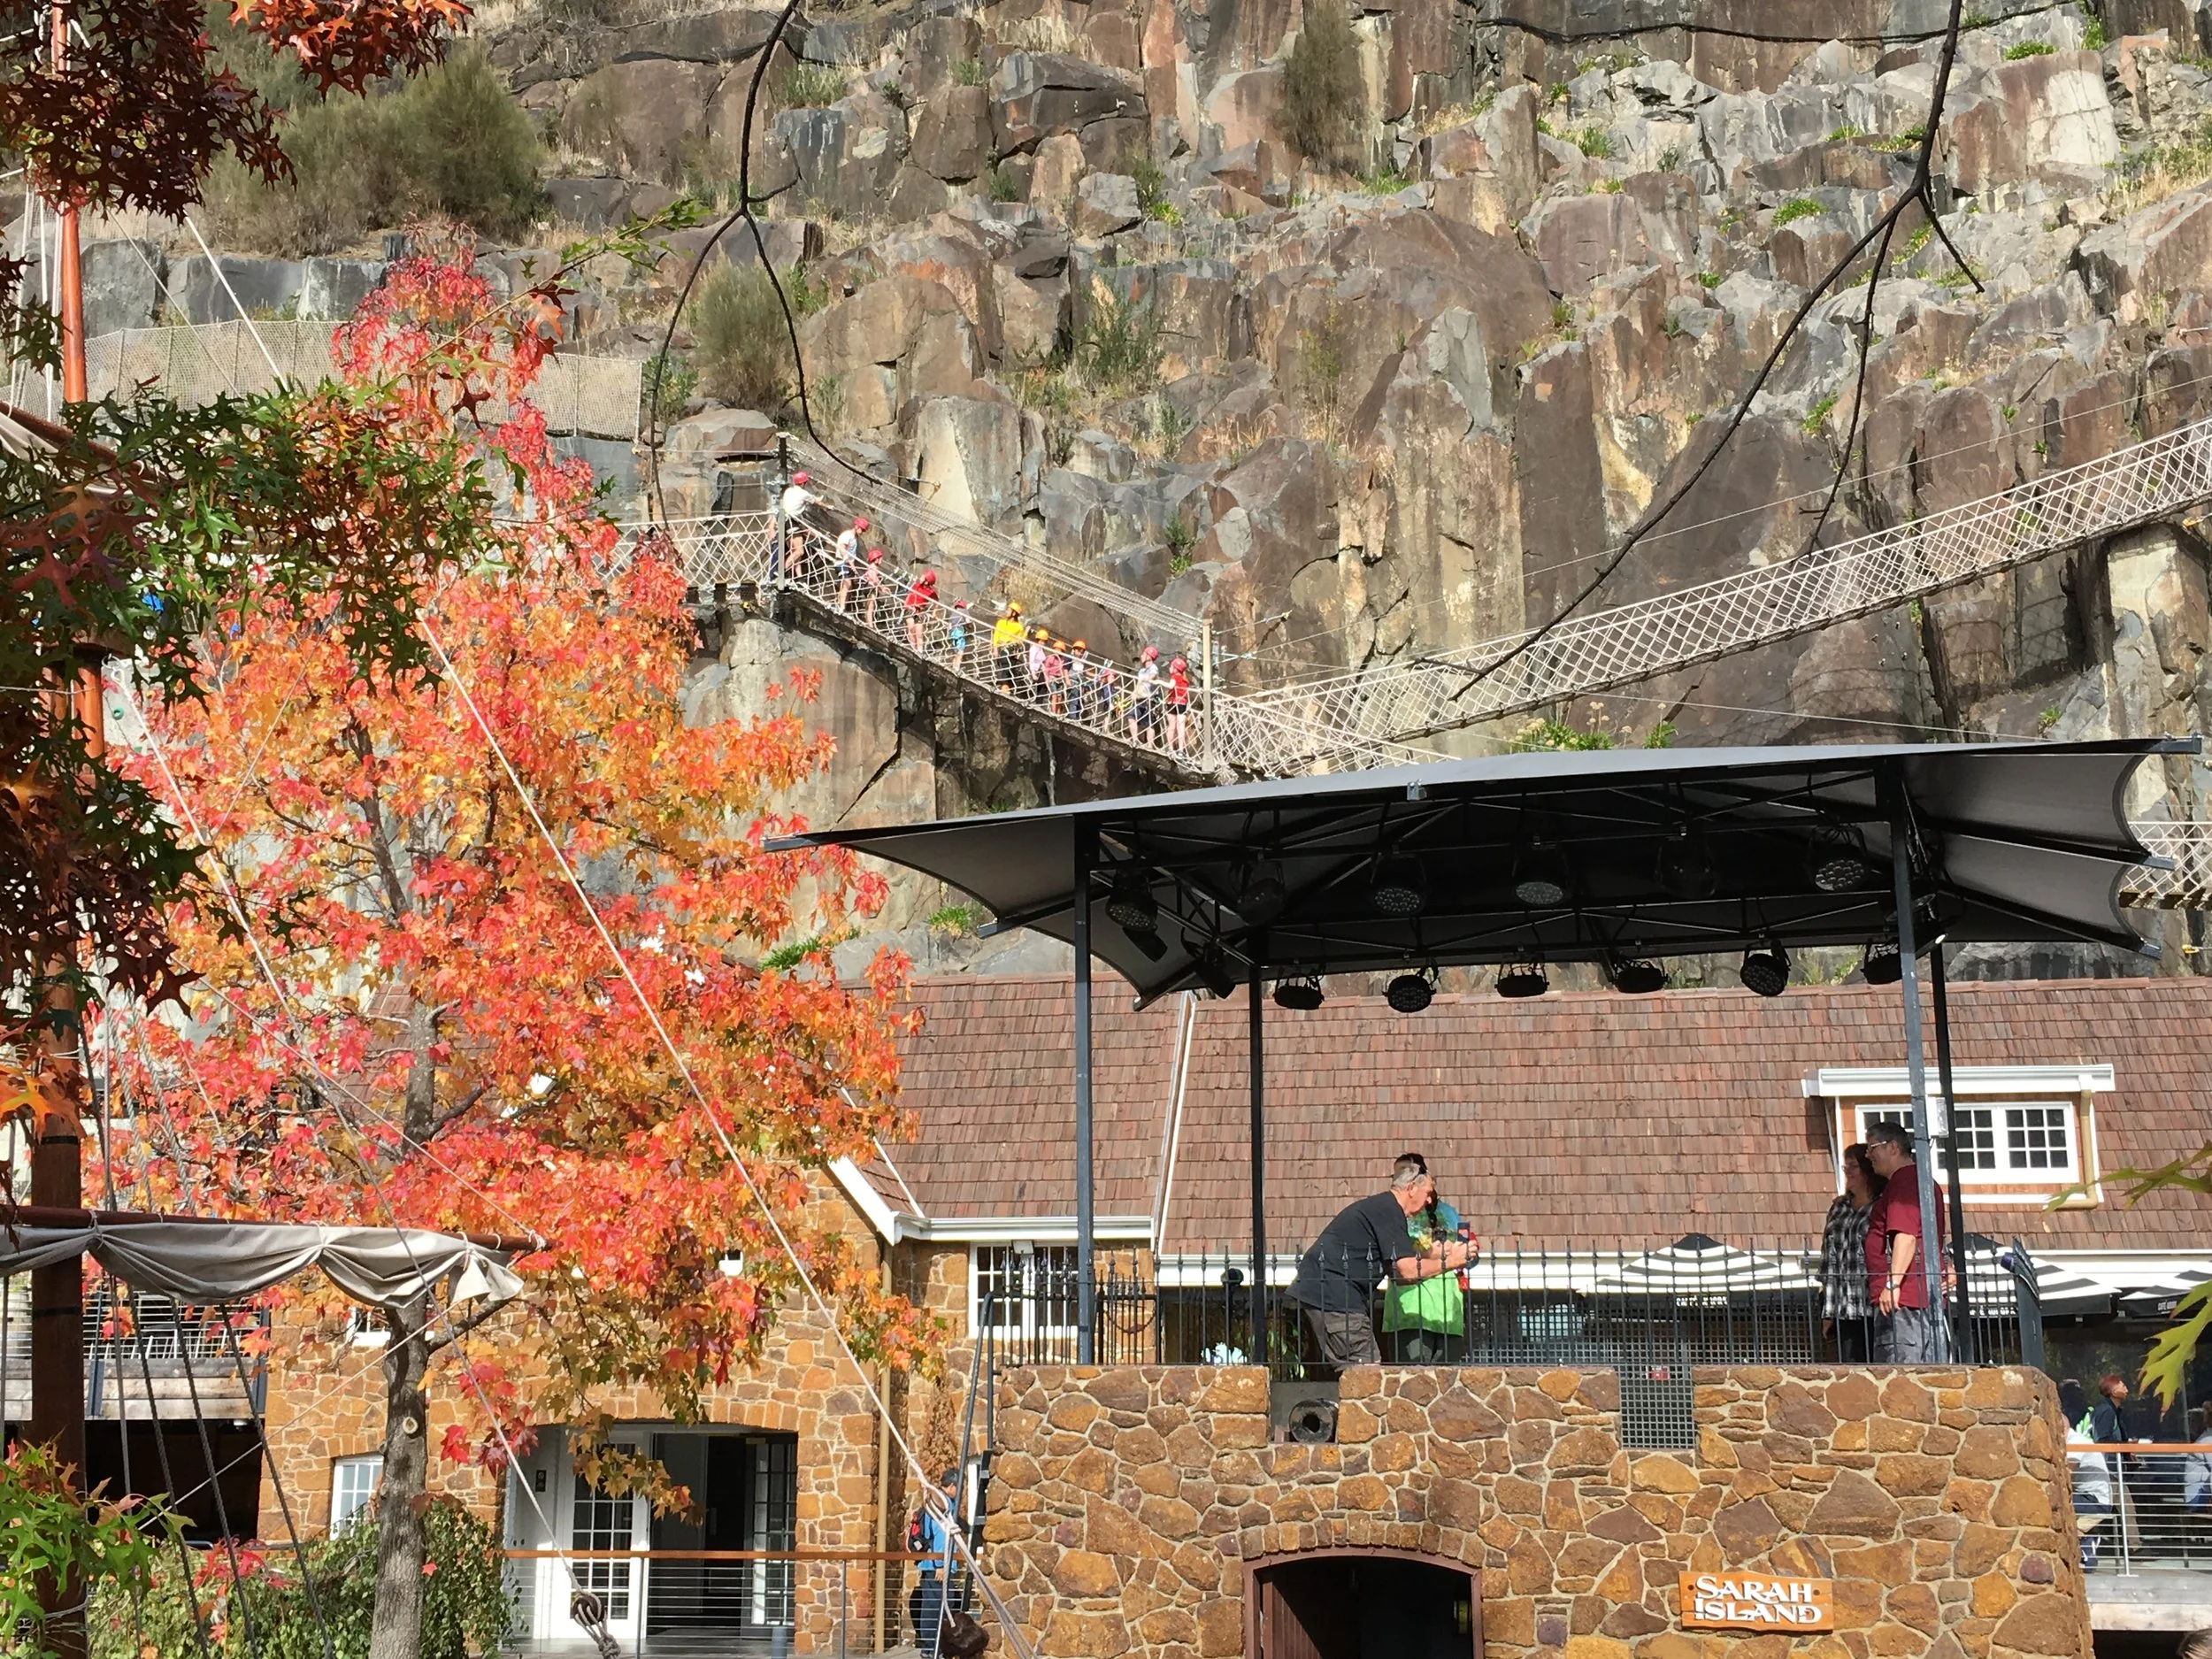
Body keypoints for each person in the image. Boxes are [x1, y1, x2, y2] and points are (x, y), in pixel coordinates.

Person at [1288, 1155, 1477, 1372]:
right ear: (1412, 1188)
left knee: (1361, 1372)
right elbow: (1406, 1271)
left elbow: (1398, 1273)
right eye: (1427, 1193)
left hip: (1328, 1293)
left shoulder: (1385, 1209)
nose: (1428, 1200)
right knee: (1365, 1371)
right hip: (1335, 1295)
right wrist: (1451, 1260)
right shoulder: (1389, 1210)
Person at [1863, 1119, 1953, 1363]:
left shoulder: (1904, 1182)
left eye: (1872, 1147)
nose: (1868, 1155)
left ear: (1892, 1147)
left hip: (1902, 1302)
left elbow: (1906, 1236)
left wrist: (1892, 1285)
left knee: (1900, 1379)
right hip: (1919, 1297)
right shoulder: (1921, 1182)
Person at [1381, 1151, 1475, 1362]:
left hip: (1448, 1312)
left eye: (1404, 1173)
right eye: (1395, 1175)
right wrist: (1435, 1252)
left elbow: (1464, 1249)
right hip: (1410, 1310)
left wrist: (1469, 1252)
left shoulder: (1448, 1212)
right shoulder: (1393, 1213)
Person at [1819, 1143, 1884, 1361]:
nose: (1848, 1173)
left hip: (1872, 1304)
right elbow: (1829, 1259)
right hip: (1842, 1306)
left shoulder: (1881, 1206)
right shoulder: (1839, 1208)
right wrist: (1827, 1312)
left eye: (1853, 1167)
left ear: (1867, 1170)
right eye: (1846, 1167)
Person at [907, 1469, 960, 1652]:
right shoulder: (942, 1505)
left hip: (935, 1565)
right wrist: (940, 1565)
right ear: (952, 1486)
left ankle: (935, 1647)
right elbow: (940, 1536)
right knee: (934, 1608)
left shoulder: (938, 1501)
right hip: (937, 1567)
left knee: (941, 1606)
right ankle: (931, 1649)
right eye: (960, 1486)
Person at [777, 472, 821, 582]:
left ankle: (800, 578)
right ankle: (782, 572)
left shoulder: (788, 491)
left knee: (795, 553)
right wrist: (827, 506)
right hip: (792, 522)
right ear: (804, 483)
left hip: (784, 522)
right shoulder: (803, 493)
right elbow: (817, 502)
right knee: (800, 551)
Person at [990, 601, 1025, 688]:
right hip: (1002, 649)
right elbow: (996, 636)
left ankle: (1005, 686)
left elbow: (1020, 641)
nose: (1006, 611)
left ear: (1013, 613)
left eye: (1008, 610)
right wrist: (995, 649)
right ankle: (1004, 687)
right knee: (1005, 665)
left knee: (1010, 669)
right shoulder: (1001, 623)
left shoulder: (1019, 627)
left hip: (1011, 650)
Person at [1133, 645, 1162, 744]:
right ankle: (1135, 740)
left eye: (1143, 654)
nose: (1141, 656)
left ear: (1149, 657)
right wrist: (1134, 693)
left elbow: (1152, 676)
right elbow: (1139, 683)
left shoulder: (1153, 668)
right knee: (1131, 716)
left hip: (1150, 700)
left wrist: (1145, 678)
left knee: (1149, 722)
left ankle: (1150, 745)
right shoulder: (1141, 671)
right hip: (1140, 698)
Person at [905, 567, 937, 652]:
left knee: (919, 634)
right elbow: (909, 595)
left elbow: (937, 602)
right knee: (911, 629)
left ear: (927, 581)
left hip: (919, 612)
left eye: (922, 577)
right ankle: (913, 647)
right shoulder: (916, 586)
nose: (920, 578)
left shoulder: (931, 592)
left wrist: (934, 612)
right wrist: (906, 605)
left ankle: (920, 651)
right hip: (910, 609)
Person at [1166, 654, 1191, 751]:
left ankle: (1170, 747)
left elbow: (1171, 686)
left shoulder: (1175, 677)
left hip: (1173, 702)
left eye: (1171, 666)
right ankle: (1181, 749)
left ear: (1175, 669)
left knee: (1171, 726)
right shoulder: (1185, 680)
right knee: (1181, 727)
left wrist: (1159, 682)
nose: (1170, 668)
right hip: (1182, 704)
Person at [948, 599, 971, 672]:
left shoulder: (953, 612)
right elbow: (968, 621)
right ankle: (957, 668)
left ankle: (953, 666)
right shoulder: (965, 611)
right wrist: (969, 627)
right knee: (960, 651)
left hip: (952, 633)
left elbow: (949, 625)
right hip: (959, 631)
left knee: (955, 651)